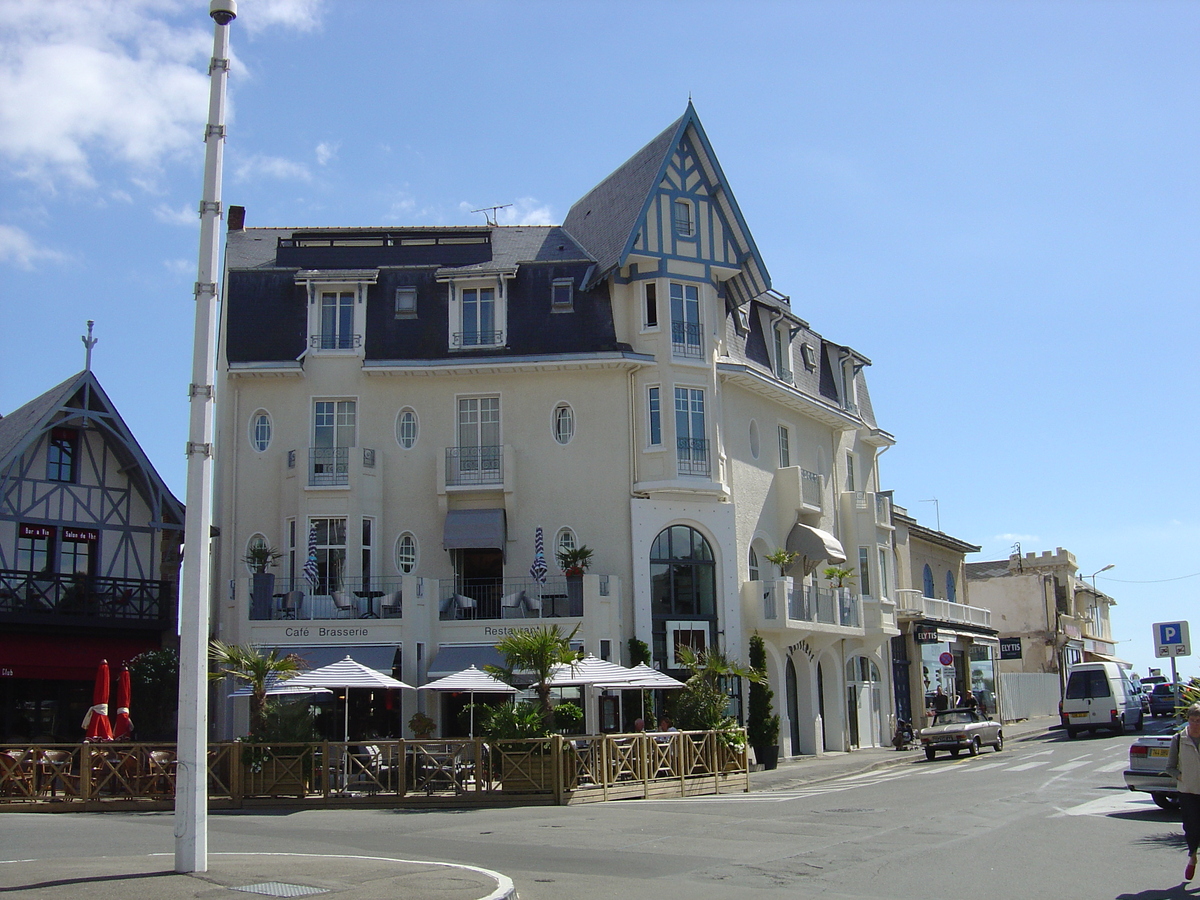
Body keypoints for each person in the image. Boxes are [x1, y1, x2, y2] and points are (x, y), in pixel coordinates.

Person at [1166, 702, 1200, 881]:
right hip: (1188, 791)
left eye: (1199, 721)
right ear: (1188, 720)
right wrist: (1181, 777)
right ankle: (1193, 857)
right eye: (1193, 720)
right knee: (1192, 828)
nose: (1195, 724)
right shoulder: (1179, 739)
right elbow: (1170, 767)